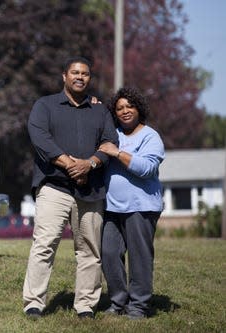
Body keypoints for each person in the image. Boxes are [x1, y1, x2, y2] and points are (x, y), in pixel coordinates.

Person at [23, 56, 118, 319]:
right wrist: (70, 165)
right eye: (74, 72)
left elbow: (110, 142)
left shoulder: (100, 111)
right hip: (54, 188)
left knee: (89, 249)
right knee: (44, 244)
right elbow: (40, 138)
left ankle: (85, 305)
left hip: (91, 189)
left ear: (90, 78)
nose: (79, 77)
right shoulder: (45, 106)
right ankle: (34, 302)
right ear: (64, 76)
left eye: (85, 74)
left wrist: (90, 164)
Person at [98, 87, 165, 319]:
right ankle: (118, 302)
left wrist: (117, 153)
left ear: (139, 109)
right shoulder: (112, 134)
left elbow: (147, 169)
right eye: (119, 108)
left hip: (141, 207)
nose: (125, 111)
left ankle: (139, 306)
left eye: (129, 106)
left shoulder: (150, 136)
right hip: (111, 207)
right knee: (108, 253)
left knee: (140, 258)